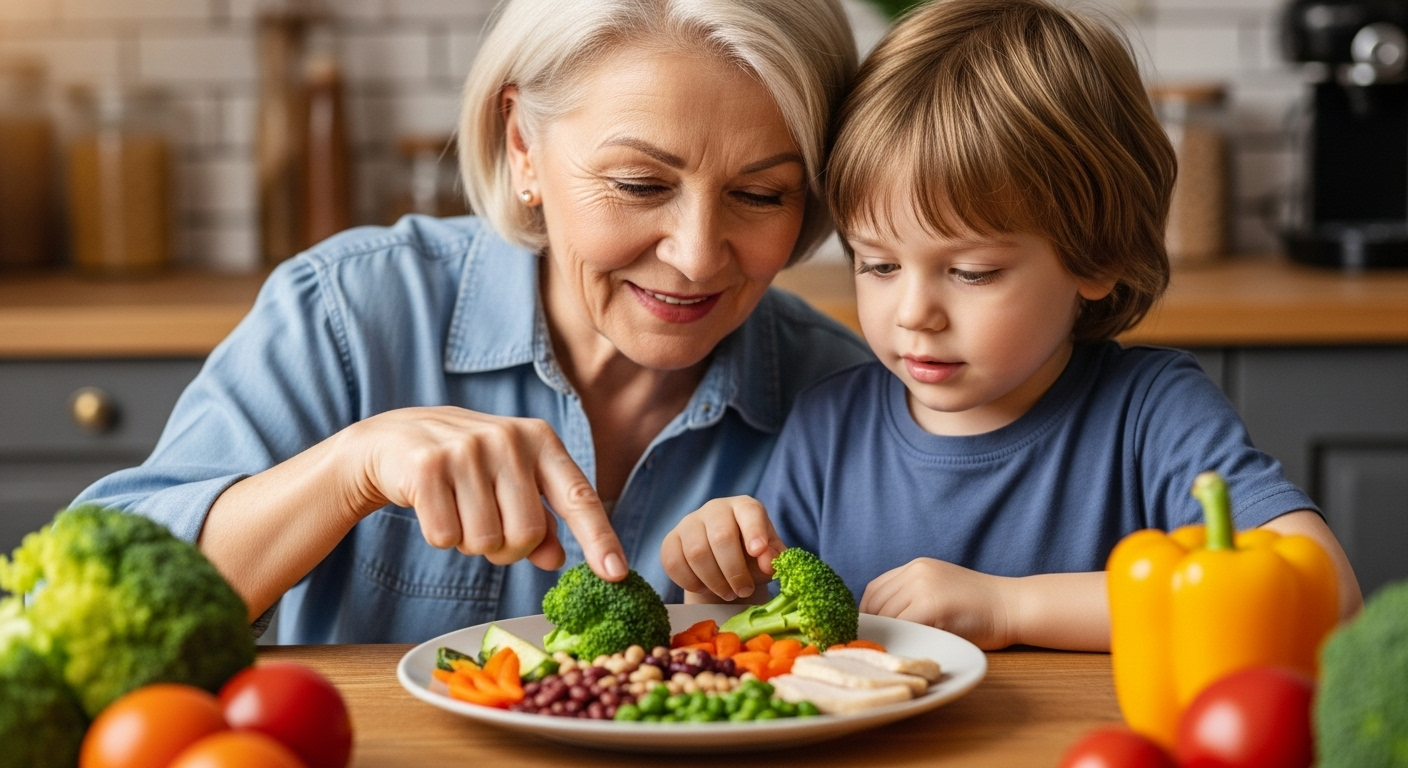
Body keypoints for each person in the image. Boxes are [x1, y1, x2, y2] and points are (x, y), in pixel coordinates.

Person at [74, 0, 872, 644]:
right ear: (522, 144)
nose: (697, 256)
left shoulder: (844, 393)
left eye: (762, 194)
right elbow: (81, 605)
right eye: (638, 184)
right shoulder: (349, 312)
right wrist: (350, 471)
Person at [661, 0, 1363, 651]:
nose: (913, 314)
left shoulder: (1154, 412)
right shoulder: (827, 427)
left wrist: (1009, 607)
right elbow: (760, 643)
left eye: (971, 273)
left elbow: (1326, 593)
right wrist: (715, 577)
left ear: (1098, 257)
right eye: (878, 265)